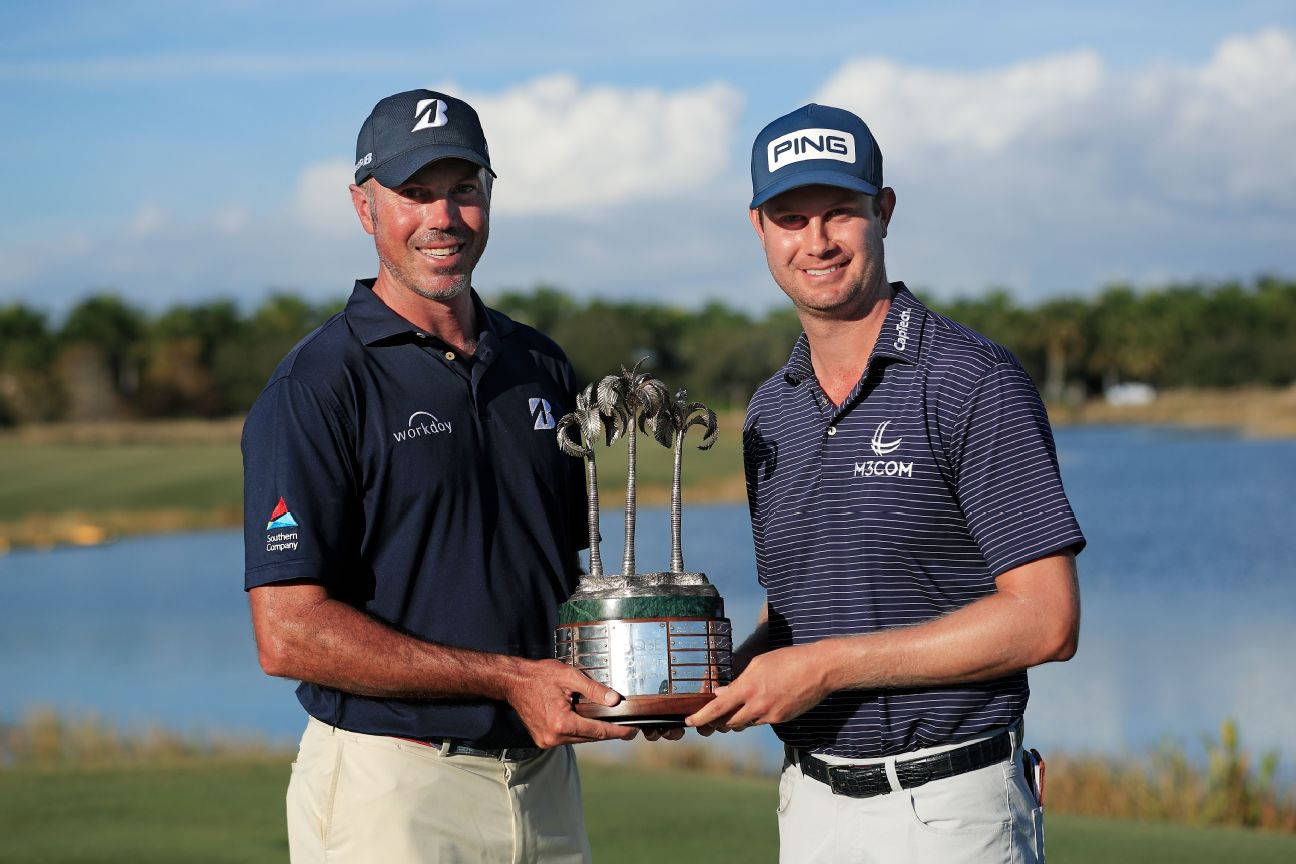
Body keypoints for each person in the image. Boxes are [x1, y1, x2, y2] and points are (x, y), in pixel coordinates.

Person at [241, 89, 637, 864]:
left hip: (544, 782)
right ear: (365, 208)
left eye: (464, 191)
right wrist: (510, 679)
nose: (443, 219)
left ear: (490, 196)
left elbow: (561, 580)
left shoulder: (541, 365)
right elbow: (287, 633)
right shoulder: (319, 385)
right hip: (394, 788)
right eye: (415, 194)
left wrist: (650, 675)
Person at [685, 104, 1086, 863]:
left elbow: (1047, 621)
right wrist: (722, 676)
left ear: (885, 211)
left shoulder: (972, 379)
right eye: (790, 217)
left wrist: (825, 667)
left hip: (950, 810)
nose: (817, 242)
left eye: (841, 212)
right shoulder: (772, 409)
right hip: (808, 805)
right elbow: (796, 610)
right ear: (759, 229)